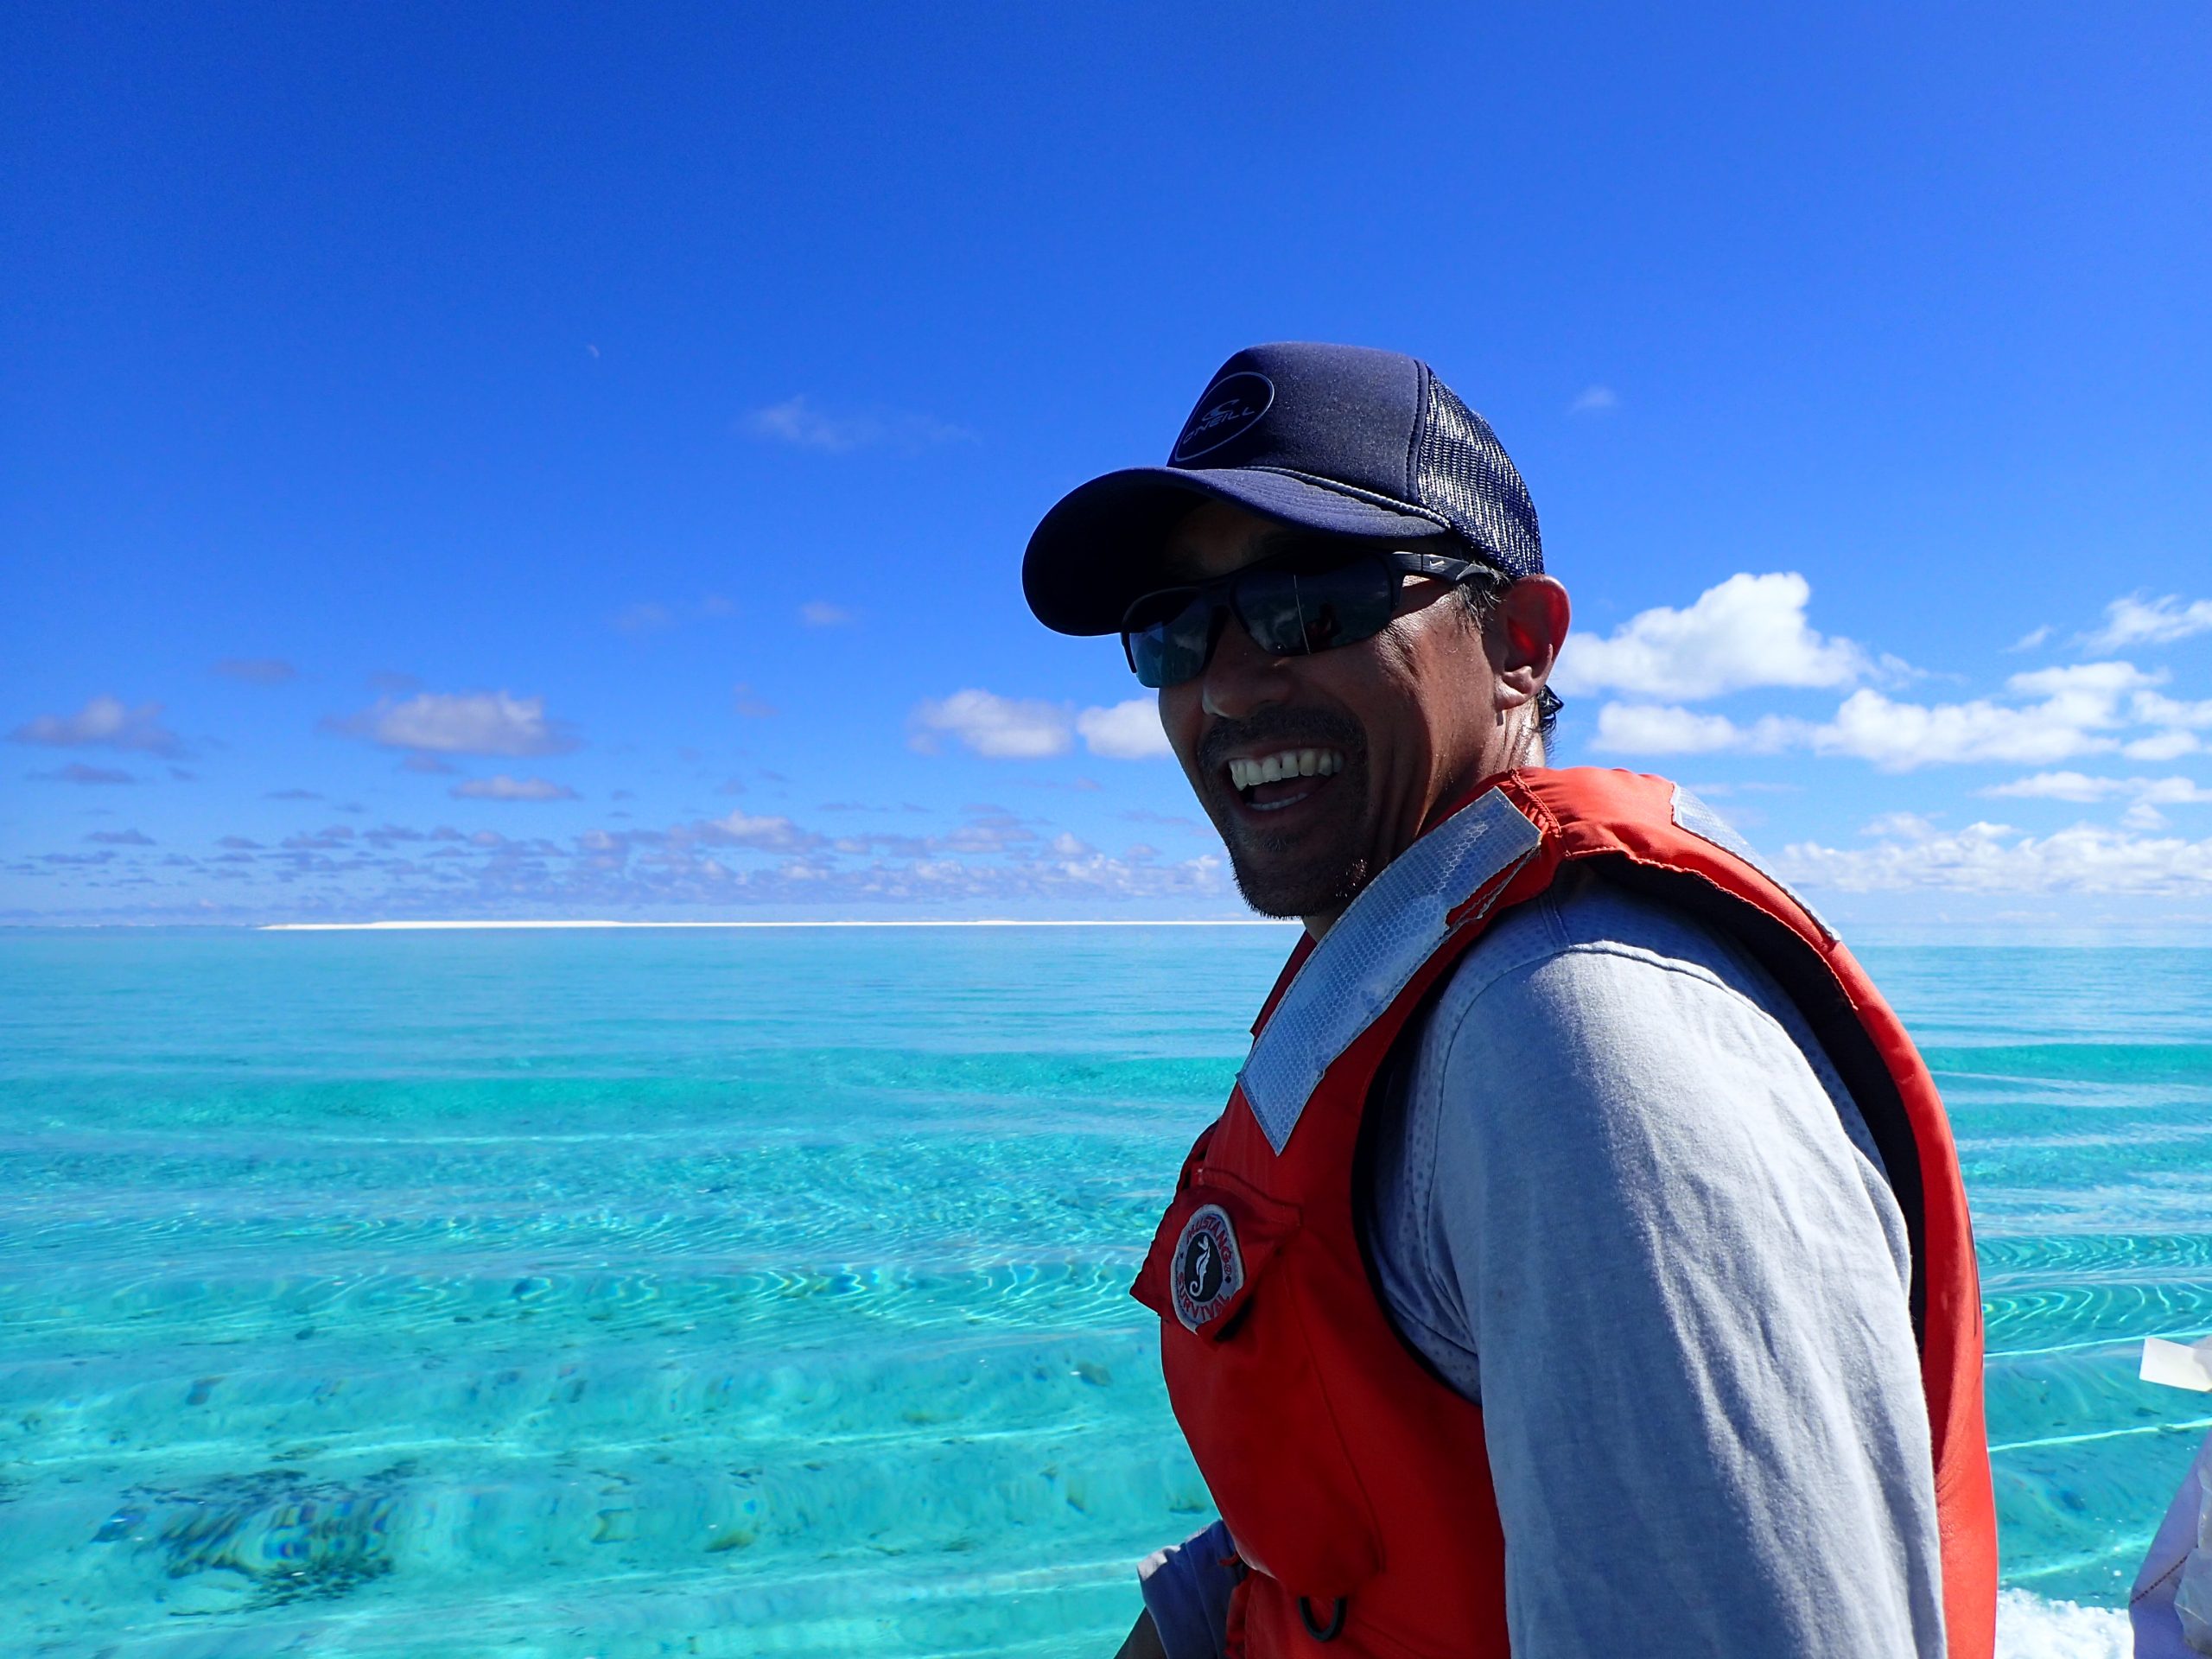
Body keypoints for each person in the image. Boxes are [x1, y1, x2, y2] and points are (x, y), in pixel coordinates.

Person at [1020, 343, 1999, 1659]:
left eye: (1313, 602)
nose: (1234, 685)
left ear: (1521, 646)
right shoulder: (1416, 980)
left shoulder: (1582, 1042)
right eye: (1179, 631)